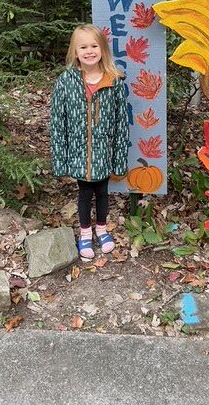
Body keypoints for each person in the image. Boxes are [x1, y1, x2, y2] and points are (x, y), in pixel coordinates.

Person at [50, 24, 129, 259]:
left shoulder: (114, 81)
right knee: (84, 194)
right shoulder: (66, 81)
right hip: (78, 152)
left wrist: (119, 160)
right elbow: (57, 122)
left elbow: (121, 124)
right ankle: (85, 233)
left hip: (103, 151)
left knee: (103, 192)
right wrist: (60, 161)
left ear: (102, 49)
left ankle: (102, 230)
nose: (89, 51)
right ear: (75, 52)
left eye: (94, 46)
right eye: (83, 47)